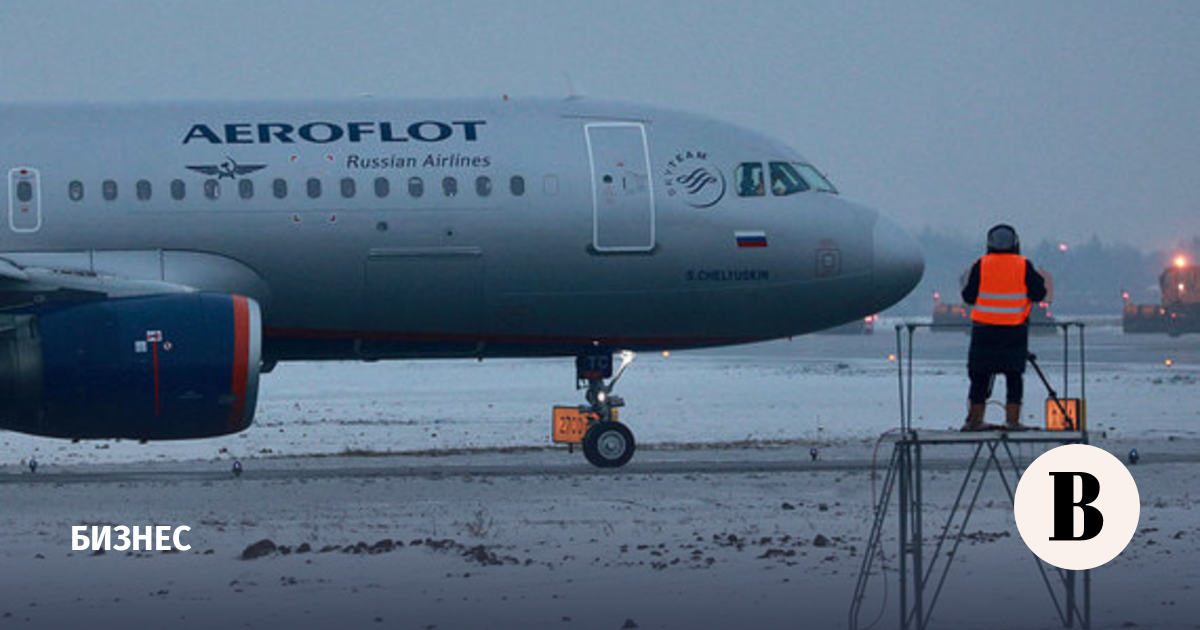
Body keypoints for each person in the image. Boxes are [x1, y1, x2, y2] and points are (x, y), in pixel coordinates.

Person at [960, 224, 1047, 431]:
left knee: (979, 377)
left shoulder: (981, 265)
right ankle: (1013, 420)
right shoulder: (1024, 265)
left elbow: (968, 296)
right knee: (1014, 376)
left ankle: (974, 420)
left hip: (984, 331)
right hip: (1013, 331)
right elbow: (1039, 294)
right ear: (1016, 243)